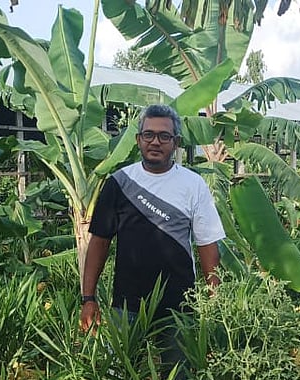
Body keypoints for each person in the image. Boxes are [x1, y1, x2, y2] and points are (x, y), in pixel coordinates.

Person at [79, 104, 225, 356]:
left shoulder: (193, 184)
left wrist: (214, 300)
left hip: (180, 307)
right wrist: (88, 298)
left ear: (176, 142)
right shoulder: (119, 183)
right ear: (138, 140)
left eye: (164, 136)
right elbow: (99, 242)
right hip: (127, 306)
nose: (155, 142)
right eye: (149, 135)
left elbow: (207, 244)